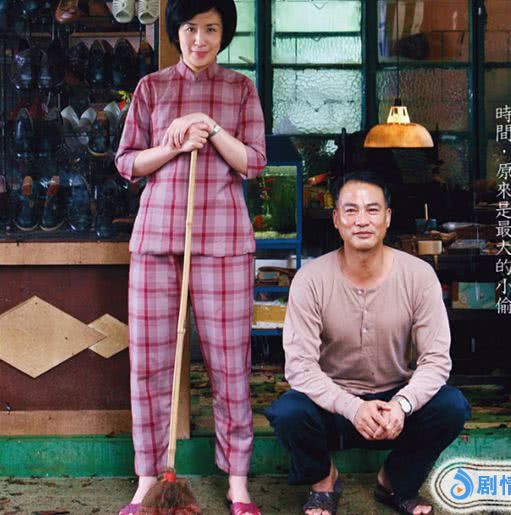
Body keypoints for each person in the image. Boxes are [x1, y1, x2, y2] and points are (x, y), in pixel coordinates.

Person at [114, 1, 266, 514]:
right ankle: (147, 480)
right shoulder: (150, 88)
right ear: (176, 32)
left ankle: (238, 482)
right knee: (149, 365)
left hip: (224, 240)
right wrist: (175, 144)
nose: (200, 39)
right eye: (191, 28)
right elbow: (127, 163)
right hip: (156, 239)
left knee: (230, 365)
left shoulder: (241, 89)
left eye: (211, 29)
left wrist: (210, 127)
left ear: (224, 35)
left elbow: (255, 163)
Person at [265, 171, 471, 515]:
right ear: (336, 219)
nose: (362, 220)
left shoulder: (419, 276)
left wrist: (402, 404)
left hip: (395, 405)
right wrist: (352, 407)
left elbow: (436, 360)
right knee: (289, 411)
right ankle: (323, 480)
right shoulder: (311, 279)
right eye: (351, 210)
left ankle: (394, 481)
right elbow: (299, 366)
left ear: (387, 217)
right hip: (334, 405)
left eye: (372, 210)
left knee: (451, 406)